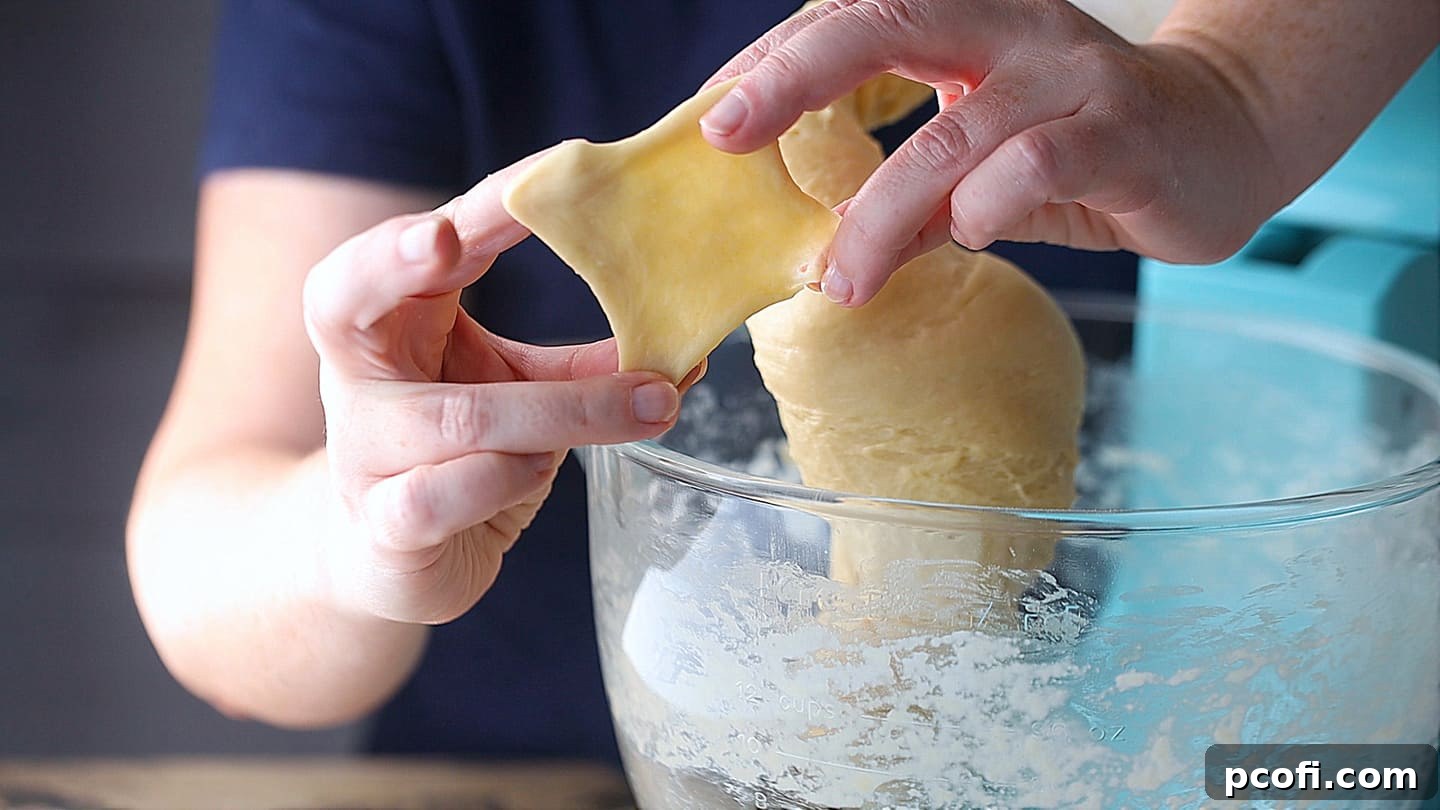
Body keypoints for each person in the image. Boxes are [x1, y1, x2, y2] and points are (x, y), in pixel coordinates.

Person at [127, 0, 1437, 763]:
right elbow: (205, 566)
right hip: (611, 761)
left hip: (1226, 738)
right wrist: (363, 524)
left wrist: (1238, 85)